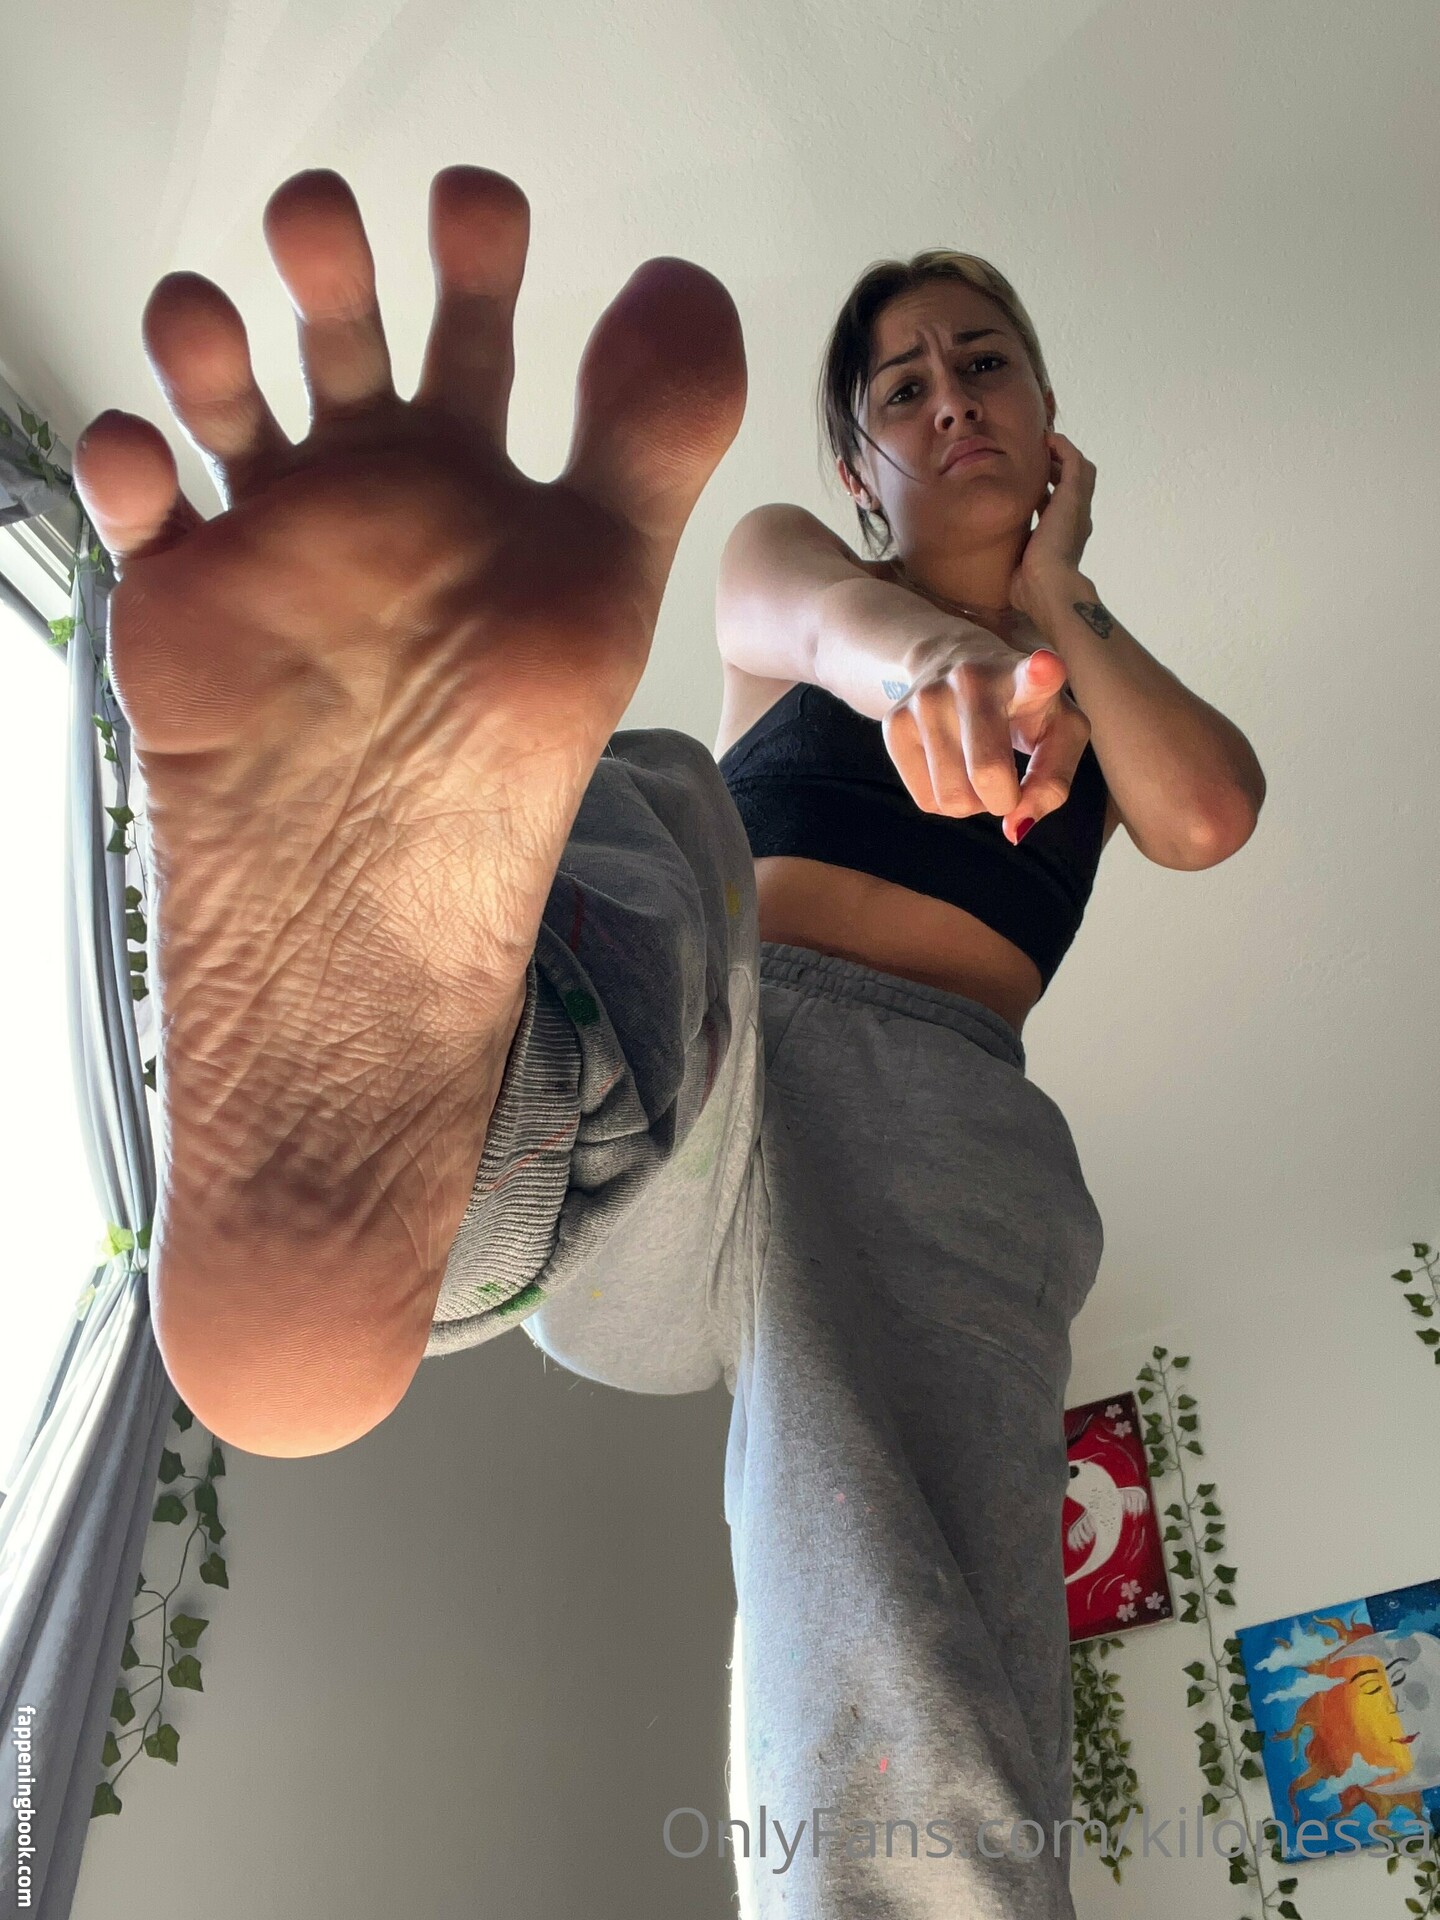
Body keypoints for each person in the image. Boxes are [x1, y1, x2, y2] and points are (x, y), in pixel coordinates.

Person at [72, 165, 1264, 1919]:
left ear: (1047, 418)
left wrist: (1057, 595)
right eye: (904, 387)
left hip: (930, 1137)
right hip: (704, 1047)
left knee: (901, 1617)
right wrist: (927, 664)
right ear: (858, 462)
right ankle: (400, 1053)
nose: (950, 399)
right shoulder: (798, 562)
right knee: (657, 818)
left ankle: (415, 1108)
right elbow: (822, 621)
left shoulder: (1090, 683)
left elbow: (1209, 810)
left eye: (984, 363)